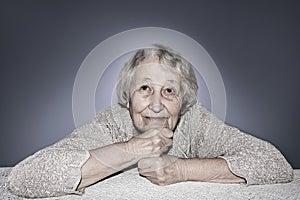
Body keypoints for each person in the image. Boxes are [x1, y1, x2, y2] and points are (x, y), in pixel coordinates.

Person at [8, 45, 293, 198]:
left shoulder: (195, 122)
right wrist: (133, 148)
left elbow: (275, 164)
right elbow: (24, 179)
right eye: (144, 88)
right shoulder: (111, 123)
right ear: (128, 97)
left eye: (169, 91)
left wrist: (181, 169)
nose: (156, 103)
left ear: (183, 100)